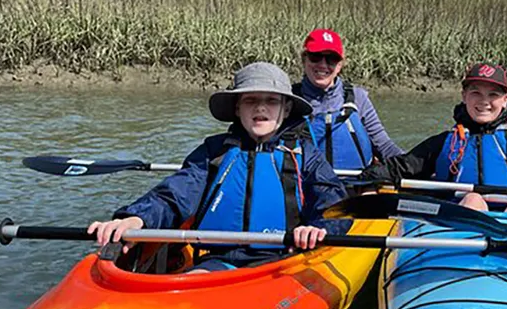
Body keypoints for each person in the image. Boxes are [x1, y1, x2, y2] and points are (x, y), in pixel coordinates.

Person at [88, 62, 351, 273]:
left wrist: (320, 228)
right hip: (217, 264)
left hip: (284, 265)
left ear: (286, 108)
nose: (260, 107)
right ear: (237, 108)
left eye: (271, 100)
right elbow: (176, 192)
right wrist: (136, 218)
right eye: (250, 100)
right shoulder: (215, 152)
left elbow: (333, 203)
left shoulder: (304, 154)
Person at [359, 62, 507, 213]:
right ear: (464, 97)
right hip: (460, 222)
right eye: (476, 93)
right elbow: (397, 168)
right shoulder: (445, 141)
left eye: (493, 95)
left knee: (476, 200)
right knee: (472, 200)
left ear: (506, 100)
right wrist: (368, 183)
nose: (484, 102)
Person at [294, 28, 404, 171]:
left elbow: (384, 146)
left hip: (356, 185)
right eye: (315, 56)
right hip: (305, 187)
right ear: (304, 60)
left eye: (331, 59)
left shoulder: (358, 98)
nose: (322, 64)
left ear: (339, 65)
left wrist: (413, 164)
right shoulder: (289, 99)